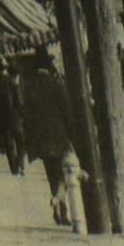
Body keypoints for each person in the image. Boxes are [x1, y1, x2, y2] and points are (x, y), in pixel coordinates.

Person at [21, 54, 82, 232]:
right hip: (59, 137)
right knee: (63, 175)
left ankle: (58, 208)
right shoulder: (57, 86)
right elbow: (67, 113)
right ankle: (60, 205)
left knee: (51, 174)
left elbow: (27, 118)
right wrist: (73, 136)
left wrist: (30, 143)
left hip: (42, 140)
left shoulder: (31, 89)